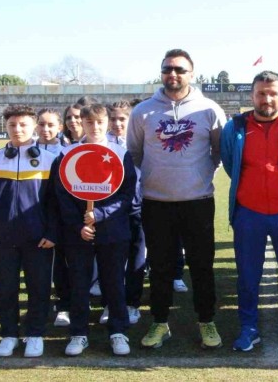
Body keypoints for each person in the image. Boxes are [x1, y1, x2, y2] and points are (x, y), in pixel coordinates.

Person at [127, 49, 227, 350]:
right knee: (160, 267)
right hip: (156, 202)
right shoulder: (143, 111)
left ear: (191, 74)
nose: (173, 74)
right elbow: (135, 153)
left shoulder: (209, 109)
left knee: (201, 265)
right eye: (167, 69)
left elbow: (219, 152)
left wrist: (199, 175)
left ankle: (206, 320)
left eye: (180, 69)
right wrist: (156, 177)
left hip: (198, 200)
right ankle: (159, 322)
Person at [220, 71, 278, 352]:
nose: (267, 99)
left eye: (273, 94)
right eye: (261, 93)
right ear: (252, 96)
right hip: (249, 213)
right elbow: (230, 164)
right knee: (248, 276)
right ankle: (248, 327)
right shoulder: (235, 127)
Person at [52, 103, 137, 356]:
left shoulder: (121, 154)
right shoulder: (67, 154)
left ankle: (118, 331)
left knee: (114, 282)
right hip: (78, 233)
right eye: (89, 122)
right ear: (82, 123)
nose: (95, 127)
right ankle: (79, 333)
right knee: (79, 284)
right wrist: (78, 224)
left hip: (113, 231)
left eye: (100, 122)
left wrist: (100, 214)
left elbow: (127, 195)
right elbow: (61, 195)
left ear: (107, 123)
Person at [0, 105, 57, 358]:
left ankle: (35, 334)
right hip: (2, 240)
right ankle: (9, 335)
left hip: (38, 239)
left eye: (23, 125)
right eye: (12, 125)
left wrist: (53, 232)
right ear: (6, 127)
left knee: (39, 289)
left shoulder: (50, 160)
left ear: (34, 127)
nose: (17, 129)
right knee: (5, 289)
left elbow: (56, 202)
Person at [104, 100, 146, 326]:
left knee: (136, 256)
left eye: (122, 119)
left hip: (137, 208)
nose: (117, 123)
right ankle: (111, 303)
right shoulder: (101, 144)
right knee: (111, 260)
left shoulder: (140, 140)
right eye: (113, 119)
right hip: (109, 211)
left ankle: (132, 303)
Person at [53, 103, 85, 326]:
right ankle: (64, 305)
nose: (73, 121)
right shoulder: (60, 147)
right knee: (63, 263)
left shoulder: (97, 145)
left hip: (92, 216)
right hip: (66, 214)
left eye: (77, 117)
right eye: (69, 117)